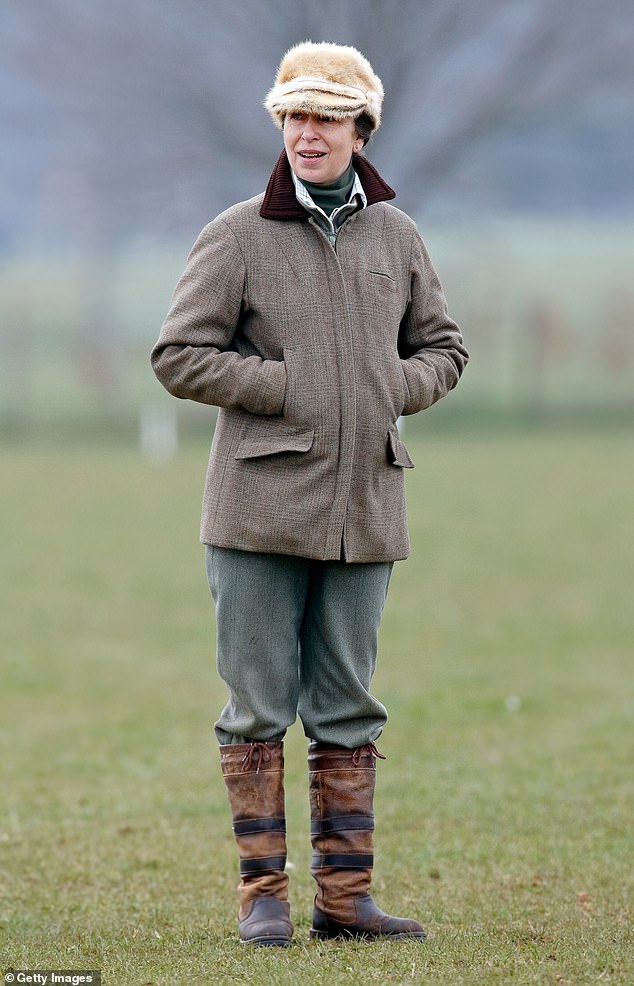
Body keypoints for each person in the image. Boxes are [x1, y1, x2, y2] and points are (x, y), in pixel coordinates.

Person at [151, 41, 468, 947]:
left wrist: (387, 390)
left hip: (367, 508)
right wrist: (288, 388)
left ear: (361, 129)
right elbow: (178, 354)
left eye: (326, 117)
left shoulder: (399, 238)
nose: (307, 133)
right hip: (255, 511)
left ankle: (344, 898)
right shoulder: (238, 232)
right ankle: (263, 898)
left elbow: (444, 348)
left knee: (349, 705)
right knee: (255, 708)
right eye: (294, 117)